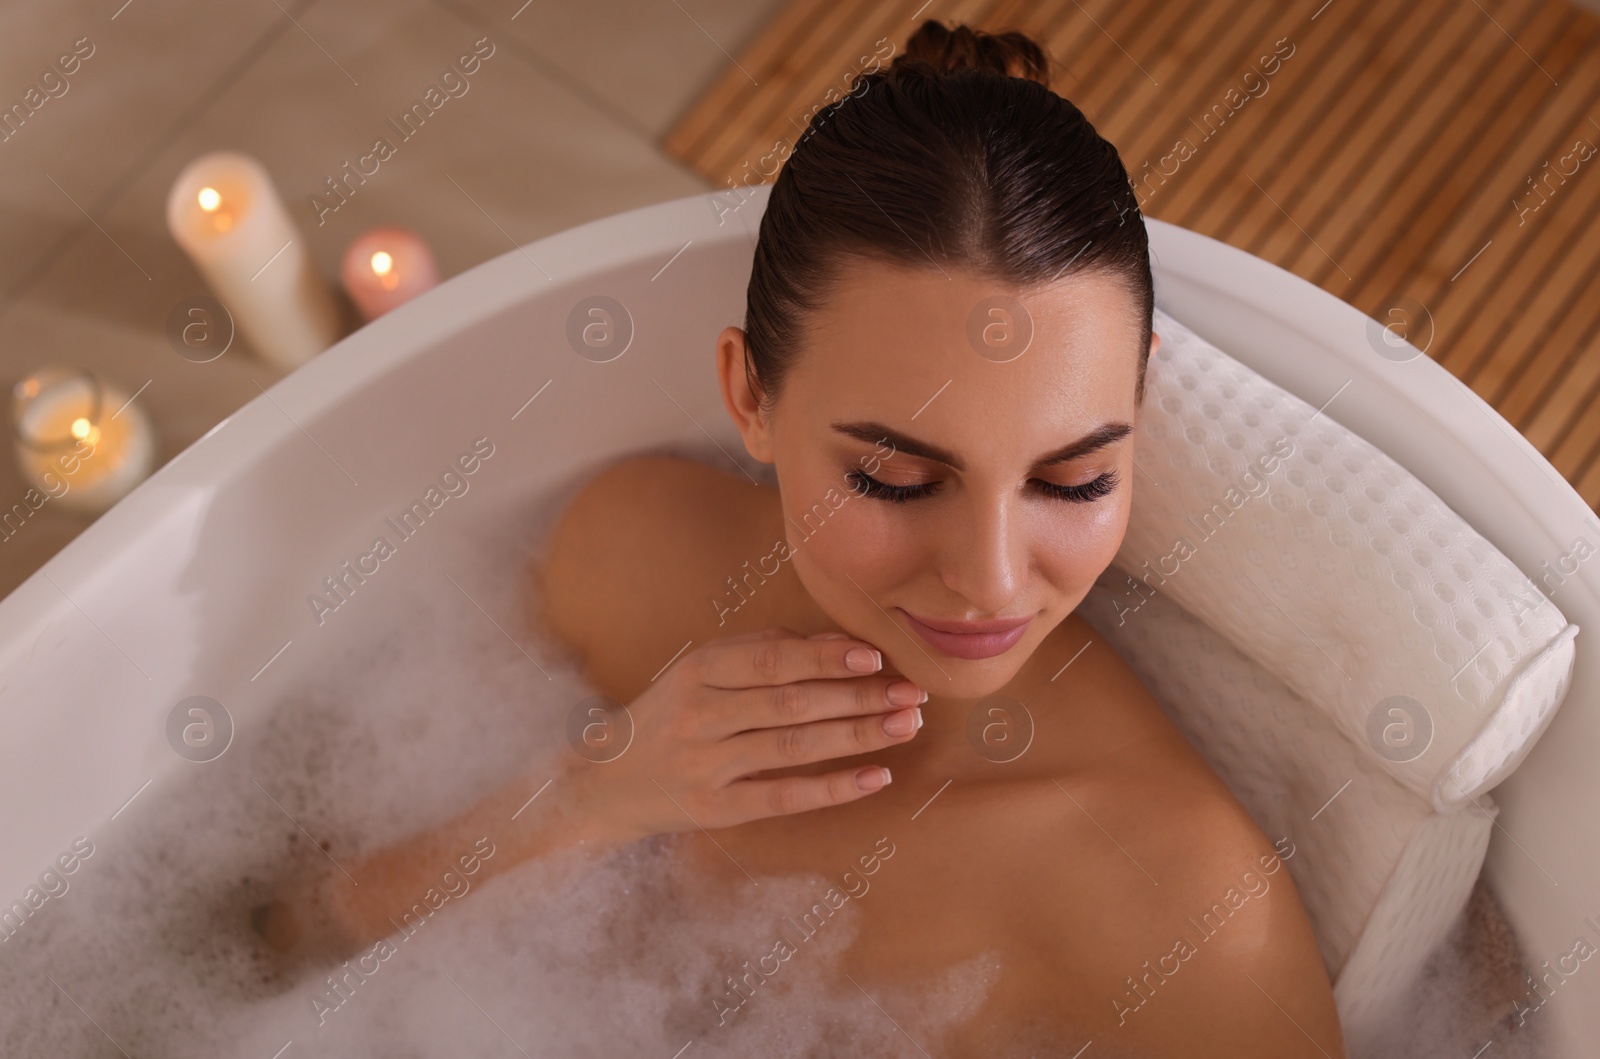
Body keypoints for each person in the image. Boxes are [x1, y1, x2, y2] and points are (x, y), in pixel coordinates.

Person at [254, 20, 1347, 1057]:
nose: (991, 580)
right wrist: (590, 795)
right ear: (752, 399)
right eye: (895, 478)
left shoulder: (1189, 928)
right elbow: (274, 937)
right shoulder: (637, 557)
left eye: (1073, 478)